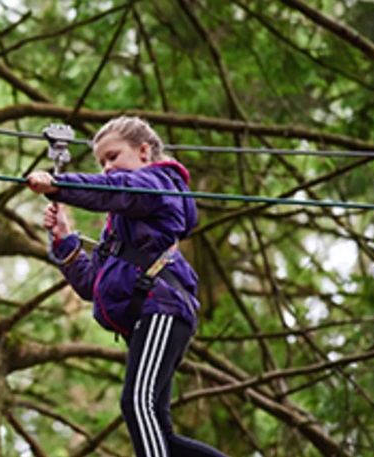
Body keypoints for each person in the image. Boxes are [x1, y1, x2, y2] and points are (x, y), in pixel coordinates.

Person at [26, 116, 226, 457]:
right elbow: (93, 285)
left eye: (113, 156)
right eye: (101, 162)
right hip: (148, 314)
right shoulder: (121, 225)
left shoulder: (158, 184)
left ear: (144, 152)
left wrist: (58, 185)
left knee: (137, 404)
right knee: (158, 430)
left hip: (162, 308)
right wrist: (64, 240)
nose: (107, 167)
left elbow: (115, 189)